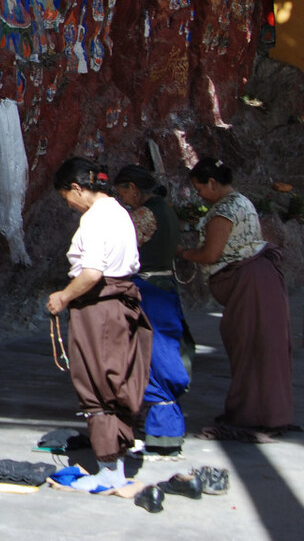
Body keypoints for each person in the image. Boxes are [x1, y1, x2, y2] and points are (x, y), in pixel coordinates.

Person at [47, 157, 152, 491]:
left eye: (67, 196)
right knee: (117, 378)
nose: (69, 204)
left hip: (100, 308)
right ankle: (119, 451)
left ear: (78, 188)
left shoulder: (93, 219)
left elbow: (92, 273)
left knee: (98, 383)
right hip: (121, 304)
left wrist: (63, 297)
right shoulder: (120, 212)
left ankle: (109, 470)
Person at [179, 157, 294, 440]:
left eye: (200, 189)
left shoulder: (224, 210)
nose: (200, 195)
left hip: (250, 282)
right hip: (259, 280)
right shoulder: (242, 201)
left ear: (212, 183)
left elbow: (211, 254)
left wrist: (183, 253)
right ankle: (269, 414)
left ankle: (253, 416)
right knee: (264, 349)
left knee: (252, 349)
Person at [114, 164, 194, 457]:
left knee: (153, 356)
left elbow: (119, 249)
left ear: (133, 189)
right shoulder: (167, 211)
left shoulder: (144, 215)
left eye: (123, 193)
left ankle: (163, 433)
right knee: (164, 350)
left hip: (149, 292)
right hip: (164, 288)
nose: (122, 200)